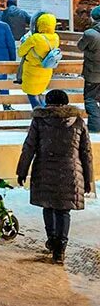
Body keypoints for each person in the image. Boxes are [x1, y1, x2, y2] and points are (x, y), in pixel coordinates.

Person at [16, 89, 93, 264]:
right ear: (66, 103)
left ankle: (52, 239)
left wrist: (22, 171)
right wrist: (88, 179)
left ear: (47, 102)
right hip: (70, 172)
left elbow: (29, 147)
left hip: (44, 170)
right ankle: (60, 249)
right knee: (63, 211)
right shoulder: (78, 121)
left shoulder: (40, 121)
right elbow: (86, 152)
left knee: (48, 206)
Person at [18, 13, 60, 109]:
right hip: (46, 71)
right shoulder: (55, 37)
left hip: (32, 73)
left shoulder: (35, 38)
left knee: (33, 97)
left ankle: (41, 118)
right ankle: (47, 117)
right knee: (40, 95)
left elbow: (20, 52)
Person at [78, 6, 100, 133]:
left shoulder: (90, 34)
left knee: (90, 99)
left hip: (93, 73)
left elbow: (80, 46)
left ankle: (95, 126)